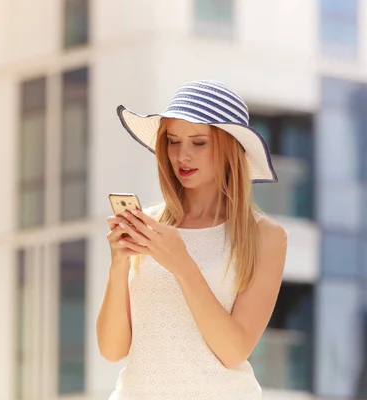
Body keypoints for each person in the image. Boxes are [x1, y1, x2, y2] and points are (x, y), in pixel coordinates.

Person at [96, 80, 288, 399]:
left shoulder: (265, 236)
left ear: (229, 149)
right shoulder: (149, 225)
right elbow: (112, 350)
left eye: (198, 143)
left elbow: (233, 350)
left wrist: (182, 265)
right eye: (173, 141)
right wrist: (118, 265)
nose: (182, 155)